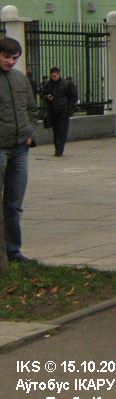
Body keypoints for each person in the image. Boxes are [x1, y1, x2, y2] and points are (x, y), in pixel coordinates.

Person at [0, 37, 37, 263]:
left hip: (20, 149)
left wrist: (31, 135)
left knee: (14, 204)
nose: (11, 62)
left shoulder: (20, 80)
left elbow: (32, 110)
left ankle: (14, 251)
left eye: (15, 58)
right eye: (6, 57)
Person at [40, 66, 77, 157]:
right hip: (53, 111)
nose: (53, 78)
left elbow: (73, 96)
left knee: (62, 130)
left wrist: (69, 108)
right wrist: (48, 97)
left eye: (55, 76)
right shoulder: (49, 84)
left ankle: (59, 149)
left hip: (63, 111)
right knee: (55, 130)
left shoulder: (66, 84)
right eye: (52, 76)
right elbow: (43, 94)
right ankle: (57, 148)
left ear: (59, 75)